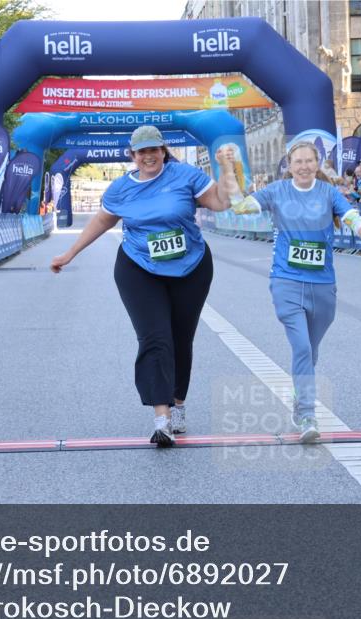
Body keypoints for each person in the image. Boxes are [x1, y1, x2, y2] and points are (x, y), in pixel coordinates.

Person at [49, 126, 232, 446]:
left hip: (191, 266)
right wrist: (70, 252)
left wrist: (228, 170)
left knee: (180, 339)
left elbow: (219, 203)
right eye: (142, 151)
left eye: (154, 150)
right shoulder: (121, 189)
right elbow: (101, 222)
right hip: (139, 268)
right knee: (155, 337)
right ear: (132, 156)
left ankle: (178, 403)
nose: (149, 156)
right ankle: (161, 419)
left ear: (163, 151)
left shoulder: (185, 175)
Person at [219, 140, 361, 443]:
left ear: (317, 164)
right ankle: (306, 413)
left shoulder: (328, 193)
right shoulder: (277, 191)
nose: (303, 166)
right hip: (286, 282)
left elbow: (351, 215)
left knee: (310, 352)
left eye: (309, 161)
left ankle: (299, 391)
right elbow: (240, 206)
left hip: (322, 285)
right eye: (298, 162)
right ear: (289, 166)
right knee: (302, 348)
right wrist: (228, 169)